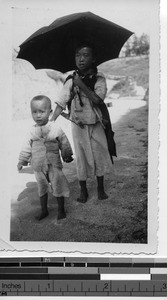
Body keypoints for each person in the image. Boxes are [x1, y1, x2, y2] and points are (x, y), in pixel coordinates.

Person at [51, 44, 113, 203]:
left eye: (85, 55)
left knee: (98, 154)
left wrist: (81, 85)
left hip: (96, 123)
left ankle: (100, 188)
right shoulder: (71, 80)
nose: (81, 59)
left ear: (93, 59)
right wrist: (51, 122)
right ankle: (83, 190)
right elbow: (61, 102)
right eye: (78, 55)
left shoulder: (99, 78)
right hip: (78, 124)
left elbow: (98, 99)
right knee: (81, 157)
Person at [17, 95, 73, 221]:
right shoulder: (31, 131)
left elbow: (63, 142)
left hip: (53, 164)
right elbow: (26, 146)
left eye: (41, 112)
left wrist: (67, 155)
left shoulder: (55, 128)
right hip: (38, 166)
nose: (38, 115)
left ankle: (61, 210)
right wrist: (22, 160)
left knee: (58, 185)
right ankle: (44, 211)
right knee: (42, 188)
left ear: (50, 112)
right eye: (34, 112)